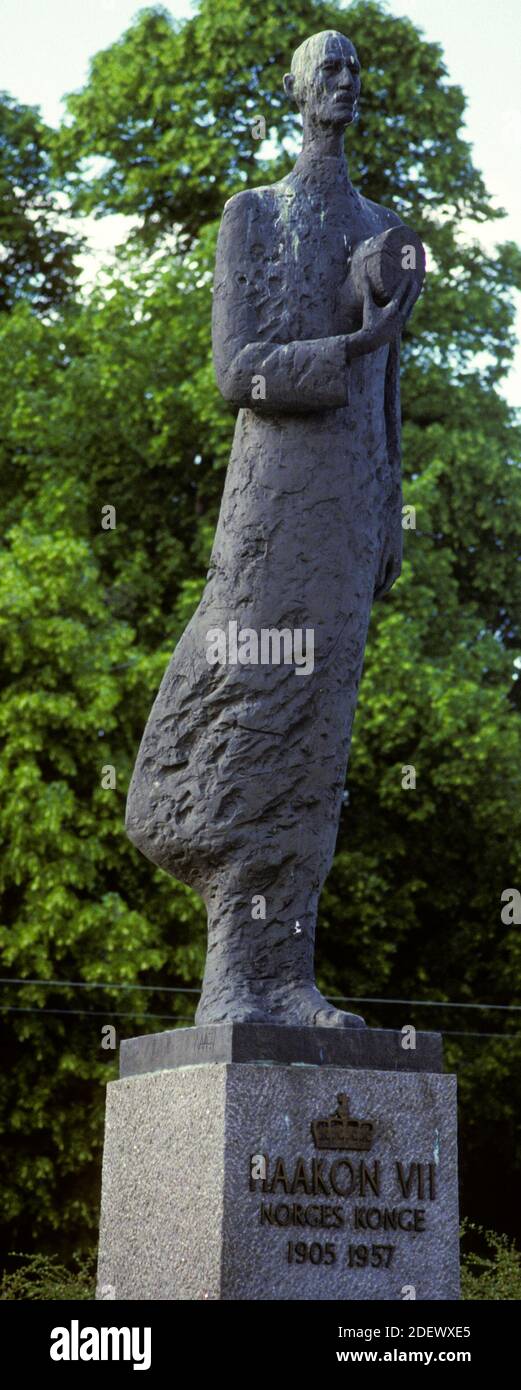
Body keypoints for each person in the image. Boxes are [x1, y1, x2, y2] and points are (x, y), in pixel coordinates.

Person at [126, 30, 423, 1028]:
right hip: (270, 508)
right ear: (294, 92)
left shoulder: (383, 226)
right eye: (325, 72)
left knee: (317, 740)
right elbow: (235, 371)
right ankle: (232, 978)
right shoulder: (252, 216)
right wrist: (346, 341)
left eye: (352, 73)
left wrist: (388, 512)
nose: (342, 85)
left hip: (348, 510)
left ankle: (284, 980)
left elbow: (387, 391)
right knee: (252, 711)